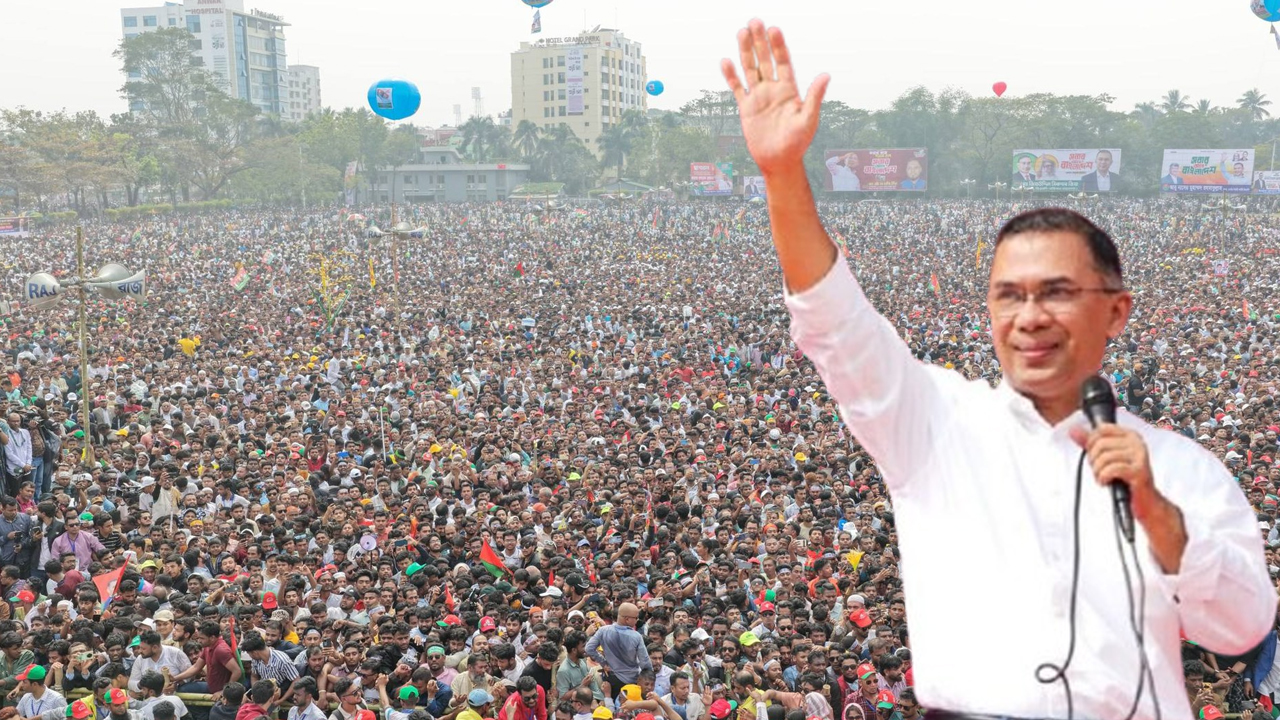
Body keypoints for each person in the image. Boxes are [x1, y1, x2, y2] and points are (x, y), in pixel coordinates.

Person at [720, 17, 1274, 720]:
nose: (1030, 316)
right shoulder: (933, 424)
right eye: (1008, 295)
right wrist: (781, 174)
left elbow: (1241, 627)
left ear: (1117, 310)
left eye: (1058, 292)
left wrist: (1156, 513)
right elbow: (836, 323)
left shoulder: (1183, 467)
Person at [585, 603, 650, 699]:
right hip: (631, 680)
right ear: (627, 619)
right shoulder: (636, 636)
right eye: (635, 618)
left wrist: (604, 663)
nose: (637, 620)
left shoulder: (603, 630)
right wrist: (650, 676)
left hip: (611, 678)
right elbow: (644, 661)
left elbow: (588, 648)